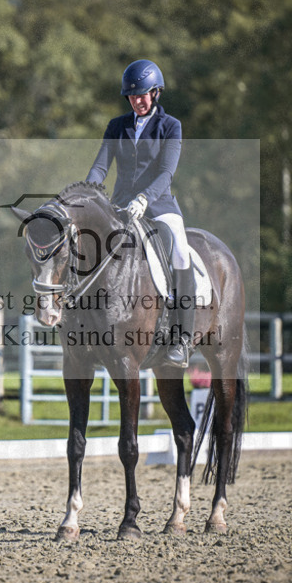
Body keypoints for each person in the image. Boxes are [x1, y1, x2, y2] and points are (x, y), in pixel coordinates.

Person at [86, 59, 195, 367]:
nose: (138, 100)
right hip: (119, 206)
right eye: (133, 96)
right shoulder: (116, 126)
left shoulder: (170, 126)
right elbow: (99, 167)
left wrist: (145, 199)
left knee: (181, 252)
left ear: (156, 93)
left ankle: (182, 339)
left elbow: (166, 173)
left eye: (144, 94)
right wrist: (86, 192)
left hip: (158, 205)